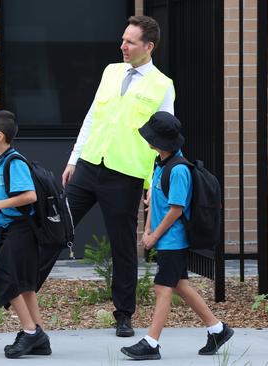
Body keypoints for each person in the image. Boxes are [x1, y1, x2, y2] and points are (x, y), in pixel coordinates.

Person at [38, 15, 175, 338]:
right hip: (88, 165)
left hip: (125, 176)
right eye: (123, 39)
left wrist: (153, 184)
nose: (122, 46)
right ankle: (25, 292)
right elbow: (92, 116)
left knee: (123, 247)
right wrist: (74, 158)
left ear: (148, 46)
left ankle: (124, 315)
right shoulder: (111, 71)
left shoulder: (162, 85)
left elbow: (165, 138)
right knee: (56, 229)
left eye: (130, 42)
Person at [119, 112, 234, 360]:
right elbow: (153, 202)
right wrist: (147, 229)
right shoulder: (159, 163)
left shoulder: (179, 170)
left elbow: (176, 210)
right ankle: (218, 329)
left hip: (174, 240)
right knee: (180, 285)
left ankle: (151, 343)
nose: (147, 139)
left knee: (162, 287)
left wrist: (154, 236)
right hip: (164, 238)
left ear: (161, 141)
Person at [0, 110, 51, 358]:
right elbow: (14, 197)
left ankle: (30, 332)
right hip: (11, 230)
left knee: (7, 280)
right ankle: (39, 337)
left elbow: (29, 196)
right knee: (25, 285)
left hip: (21, 231)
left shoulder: (14, 161)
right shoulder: (1, 161)